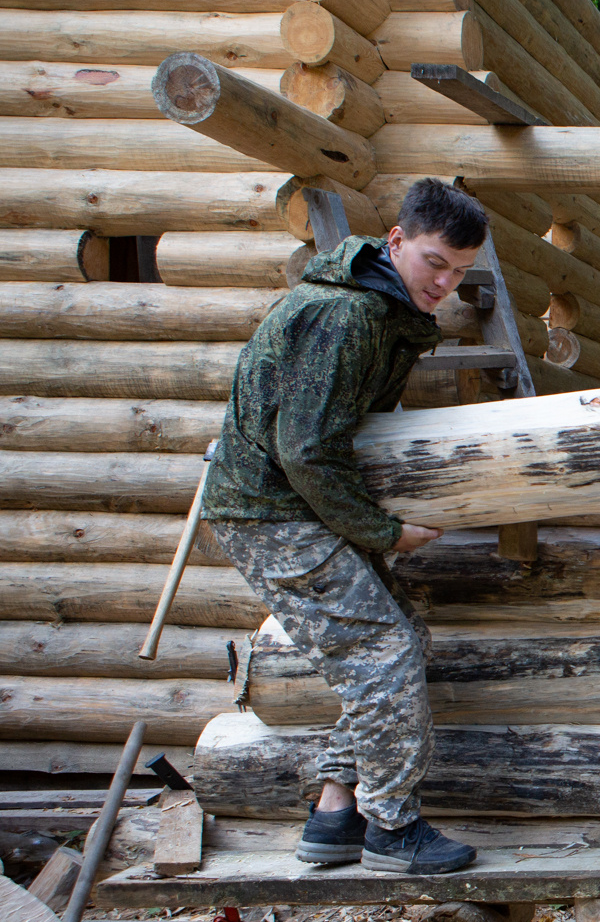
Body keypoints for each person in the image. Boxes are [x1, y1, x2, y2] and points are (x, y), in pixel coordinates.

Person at [202, 178, 487, 875]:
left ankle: (336, 812)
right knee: (384, 653)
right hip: (271, 510)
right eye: (433, 262)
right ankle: (392, 827)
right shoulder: (348, 316)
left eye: (459, 272)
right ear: (395, 242)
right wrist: (384, 532)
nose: (445, 283)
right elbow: (305, 450)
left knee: (394, 639)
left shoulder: (379, 311)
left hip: (293, 505)